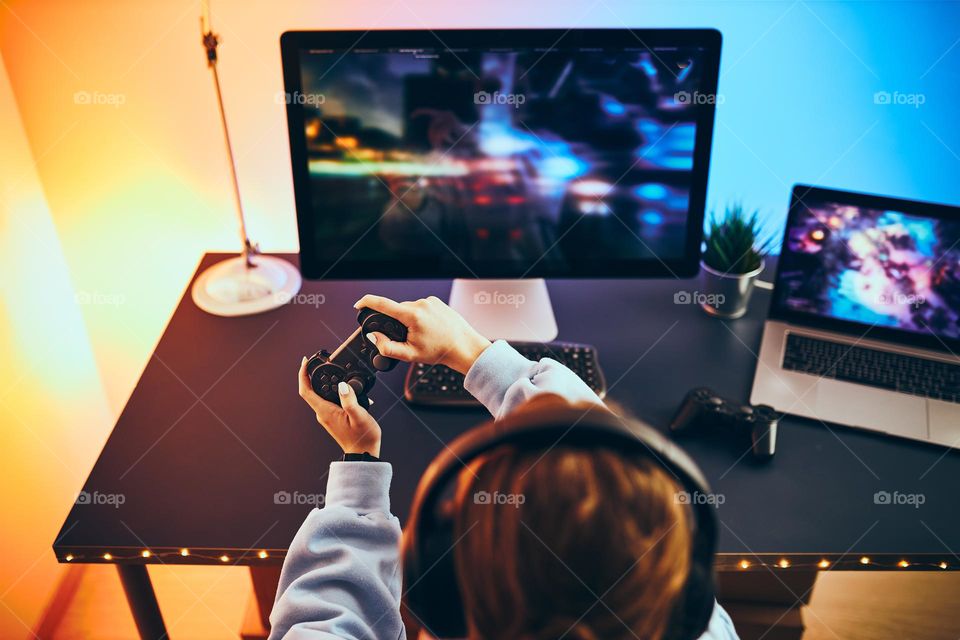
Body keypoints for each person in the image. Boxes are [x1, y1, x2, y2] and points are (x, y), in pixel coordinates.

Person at [269, 295, 739, 640]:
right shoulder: (700, 628)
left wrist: (358, 470)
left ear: (446, 599)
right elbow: (596, 455)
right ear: (684, 586)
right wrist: (469, 350)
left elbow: (326, 621)